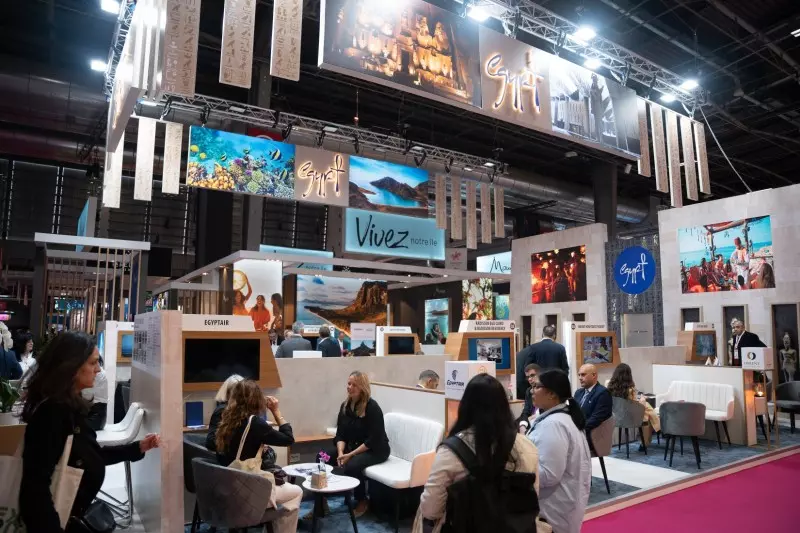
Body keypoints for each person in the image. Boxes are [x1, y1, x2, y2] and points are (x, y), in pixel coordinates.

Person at [19, 331, 160, 533]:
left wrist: (137, 448)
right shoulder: (52, 413)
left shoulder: (69, 408)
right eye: (93, 363)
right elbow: (34, 490)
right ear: (71, 366)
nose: (98, 369)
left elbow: (90, 455)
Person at [417, 374, 544, 533]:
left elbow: (430, 509)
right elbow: (533, 495)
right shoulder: (526, 446)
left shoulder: (451, 451)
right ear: (504, 406)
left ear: (466, 406)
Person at [215, 380, 302, 533]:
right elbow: (288, 439)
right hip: (246, 494)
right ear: (256, 400)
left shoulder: (227, 419)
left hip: (227, 488)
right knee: (296, 492)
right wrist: (276, 411)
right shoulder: (254, 423)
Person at [527, 369, 591, 533]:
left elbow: (548, 475)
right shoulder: (562, 418)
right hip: (562, 507)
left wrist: (519, 464)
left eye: (536, 386)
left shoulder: (554, 424)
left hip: (552, 511)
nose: (532, 391)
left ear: (551, 394)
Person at [322, 371, 390, 517]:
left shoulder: (372, 408)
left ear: (362, 388)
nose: (350, 387)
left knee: (352, 465)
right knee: (322, 457)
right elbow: (340, 434)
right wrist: (341, 453)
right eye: (349, 384)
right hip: (352, 447)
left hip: (375, 449)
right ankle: (321, 501)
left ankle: (362, 500)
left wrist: (350, 455)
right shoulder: (345, 406)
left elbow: (373, 440)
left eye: (354, 385)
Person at [606, 363, 660, 446]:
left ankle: (649, 438)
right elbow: (633, 405)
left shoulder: (609, 386)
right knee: (647, 414)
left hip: (616, 416)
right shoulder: (630, 389)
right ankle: (645, 443)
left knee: (647, 412)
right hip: (629, 416)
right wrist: (642, 399)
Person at [516, 325, 568, 399]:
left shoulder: (533, 348)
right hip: (555, 388)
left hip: (539, 386)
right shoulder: (560, 348)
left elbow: (528, 367)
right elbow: (565, 369)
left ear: (543, 334)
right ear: (554, 335)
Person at [573, 364, 613, 453]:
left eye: (583, 375)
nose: (580, 378)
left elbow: (596, 419)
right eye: (579, 375)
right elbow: (572, 412)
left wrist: (576, 429)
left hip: (592, 434)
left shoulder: (603, 393)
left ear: (594, 375)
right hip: (578, 431)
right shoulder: (578, 392)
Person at [206, 374, 244, 451]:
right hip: (227, 453)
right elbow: (211, 441)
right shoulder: (222, 410)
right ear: (227, 393)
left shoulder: (245, 409)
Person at [82, 356, 109, 431]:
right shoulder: (96, 371)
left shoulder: (97, 374)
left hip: (95, 417)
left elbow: (86, 396)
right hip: (93, 414)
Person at [517, 363, 540, 433]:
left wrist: (535, 417)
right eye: (528, 377)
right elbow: (526, 411)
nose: (529, 379)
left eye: (532, 375)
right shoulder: (528, 391)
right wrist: (522, 425)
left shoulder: (546, 390)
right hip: (529, 421)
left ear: (540, 374)